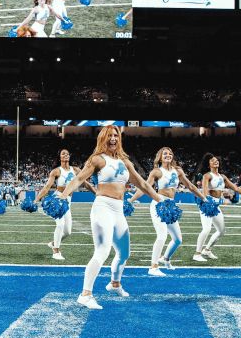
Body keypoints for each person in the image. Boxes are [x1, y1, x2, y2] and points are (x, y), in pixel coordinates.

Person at [59, 126, 167, 310]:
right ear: (103, 138)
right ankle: (85, 294)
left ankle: (114, 284)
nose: (113, 138)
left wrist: (160, 200)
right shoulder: (97, 159)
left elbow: (141, 183)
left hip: (118, 210)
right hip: (103, 207)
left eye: (116, 135)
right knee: (102, 250)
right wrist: (63, 195)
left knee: (124, 252)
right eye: (109, 135)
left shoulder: (125, 161)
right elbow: (78, 179)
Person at [146, 147, 206, 275]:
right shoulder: (156, 172)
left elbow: (190, 186)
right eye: (165, 153)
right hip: (159, 204)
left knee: (178, 239)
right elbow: (145, 187)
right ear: (160, 157)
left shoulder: (178, 170)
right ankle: (153, 267)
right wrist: (130, 200)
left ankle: (166, 259)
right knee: (162, 235)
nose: (168, 155)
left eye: (170, 153)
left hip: (171, 205)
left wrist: (203, 198)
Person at [32, 148, 93, 261]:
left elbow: (86, 184)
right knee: (60, 225)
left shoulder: (76, 170)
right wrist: (36, 200)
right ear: (59, 157)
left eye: (67, 153)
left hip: (68, 202)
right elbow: (47, 187)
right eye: (63, 153)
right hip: (58, 200)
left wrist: (96, 193)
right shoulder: (56, 171)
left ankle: (54, 243)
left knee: (68, 231)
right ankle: (56, 251)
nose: (66, 155)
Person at [191, 154, 241, 262]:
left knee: (221, 231)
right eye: (213, 161)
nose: (216, 162)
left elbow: (235, 188)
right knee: (206, 229)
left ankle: (207, 250)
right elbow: (205, 190)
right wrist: (206, 201)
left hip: (216, 206)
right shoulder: (207, 175)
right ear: (209, 164)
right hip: (207, 204)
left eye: (217, 160)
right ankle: (197, 254)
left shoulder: (222, 177)